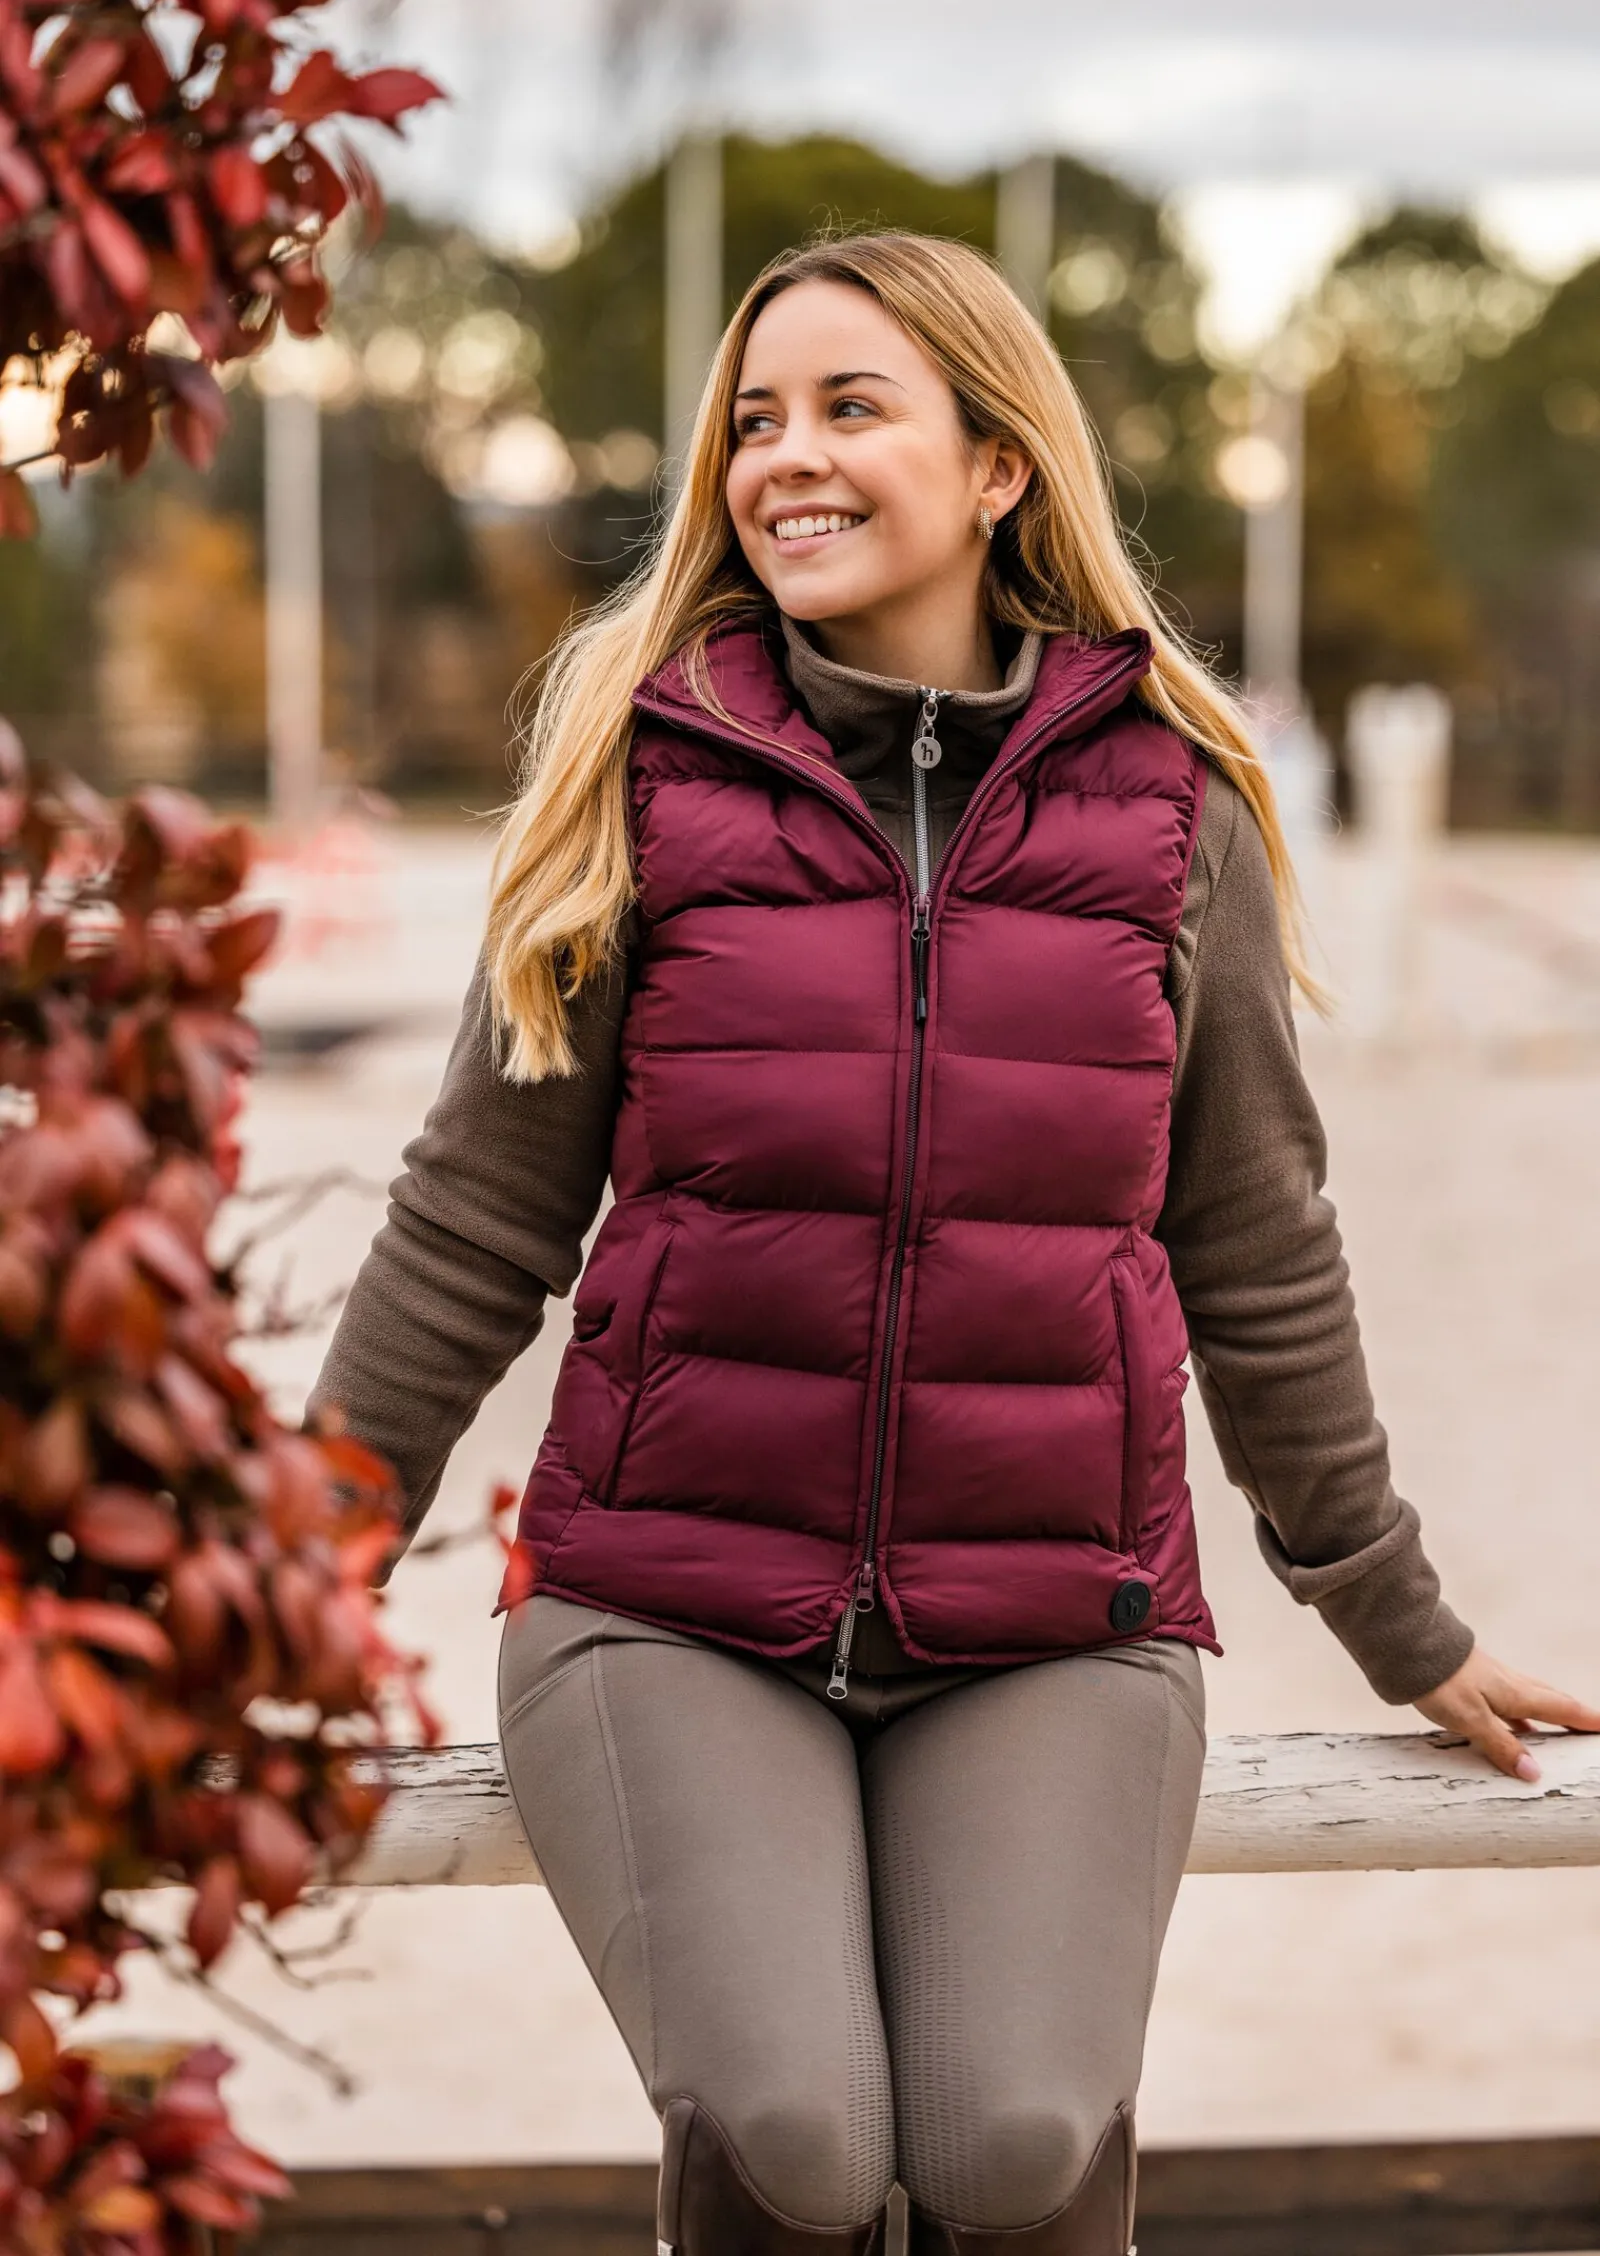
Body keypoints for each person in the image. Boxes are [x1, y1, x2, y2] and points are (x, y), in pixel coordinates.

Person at [311, 233, 1600, 2256]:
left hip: (1052, 1618)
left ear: (998, 466)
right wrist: (293, 1577)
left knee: (1013, 2139)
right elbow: (470, 1222)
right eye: (750, 418)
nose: (780, 461)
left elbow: (1254, 1240)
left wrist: (1395, 1622)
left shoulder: (1172, 813)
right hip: (664, 1607)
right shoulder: (633, 783)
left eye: (846, 408)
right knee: (790, 2134)